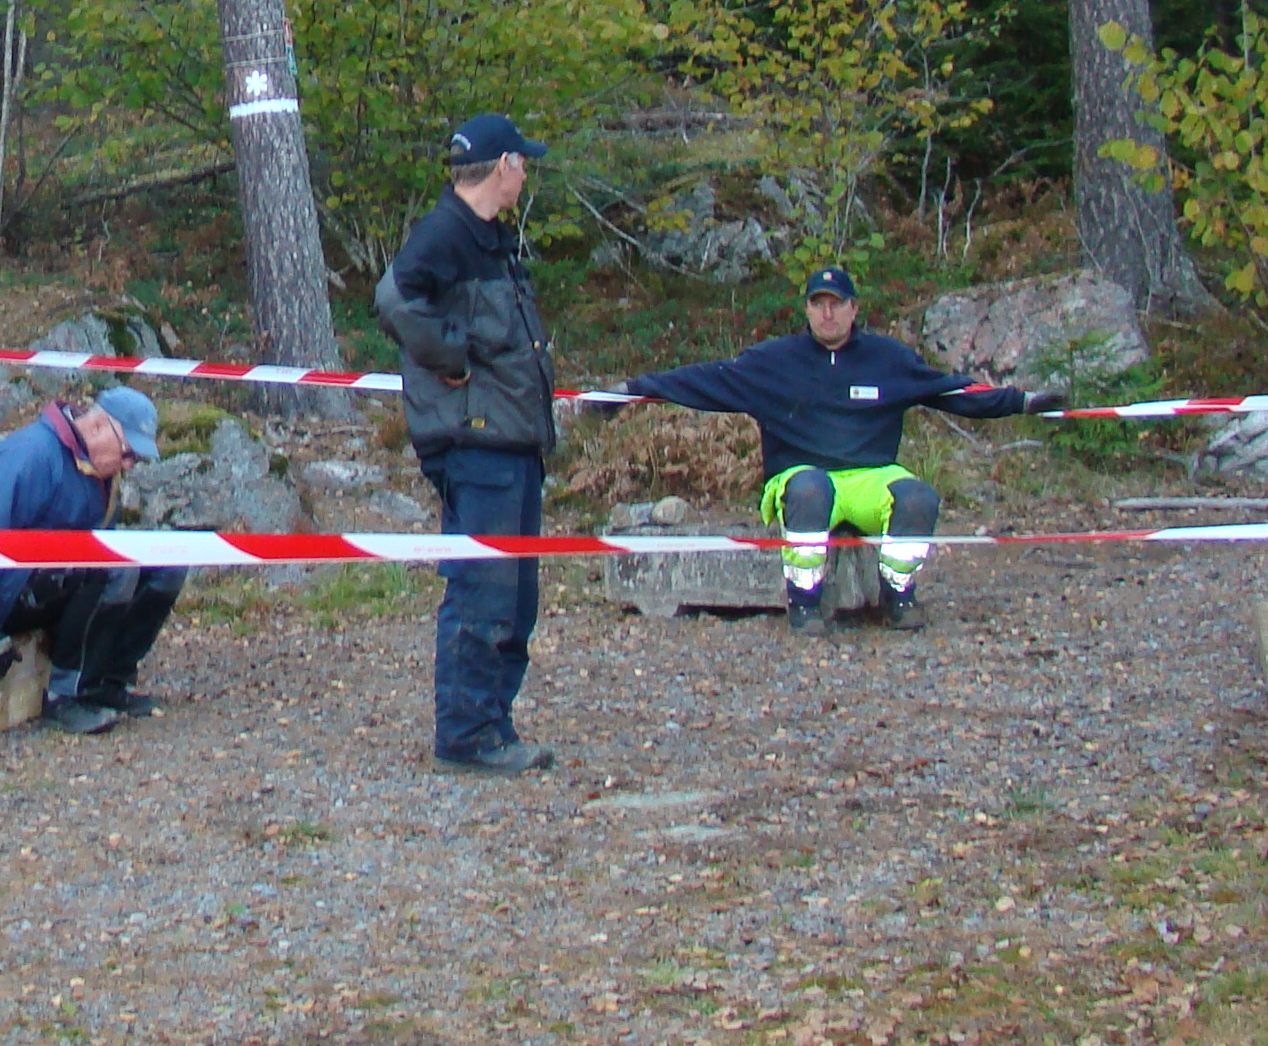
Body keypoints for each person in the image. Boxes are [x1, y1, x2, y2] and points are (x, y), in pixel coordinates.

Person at [622, 267, 1060, 633]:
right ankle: (804, 599)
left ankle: (897, 594)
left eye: (837, 304)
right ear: (807, 310)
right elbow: (702, 380)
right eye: (818, 304)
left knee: (918, 498)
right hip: (800, 476)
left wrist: (1023, 401)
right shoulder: (773, 361)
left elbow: (954, 392)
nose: (827, 313)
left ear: (854, 308)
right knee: (810, 490)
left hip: (870, 477)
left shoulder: (889, 359)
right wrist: (630, 390)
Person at [377, 112, 563, 775]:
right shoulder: (446, 233)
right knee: (483, 588)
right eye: (522, 162)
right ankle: (465, 733)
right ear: (503, 166)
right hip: (478, 442)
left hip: (510, 437)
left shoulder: (488, 237)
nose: (526, 174)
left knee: (514, 596)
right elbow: (394, 299)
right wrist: (448, 355)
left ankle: (492, 723)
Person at [0, 387, 172, 735]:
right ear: (98, 426)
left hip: (61, 584)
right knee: (106, 566)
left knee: (168, 565)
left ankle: (110, 682)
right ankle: (64, 695)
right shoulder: (27, 457)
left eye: (135, 460)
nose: (128, 465)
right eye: (128, 454)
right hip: (11, 595)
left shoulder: (97, 471)